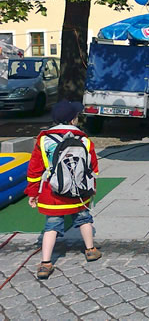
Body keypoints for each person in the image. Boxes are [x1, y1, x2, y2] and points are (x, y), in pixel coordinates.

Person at [24, 100, 101, 280]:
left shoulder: (43, 140)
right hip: (78, 192)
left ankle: (45, 263)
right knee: (84, 219)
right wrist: (92, 189)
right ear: (73, 120)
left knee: (51, 226)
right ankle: (90, 250)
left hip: (52, 192)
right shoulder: (84, 140)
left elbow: (34, 170)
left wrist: (33, 193)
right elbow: (93, 169)